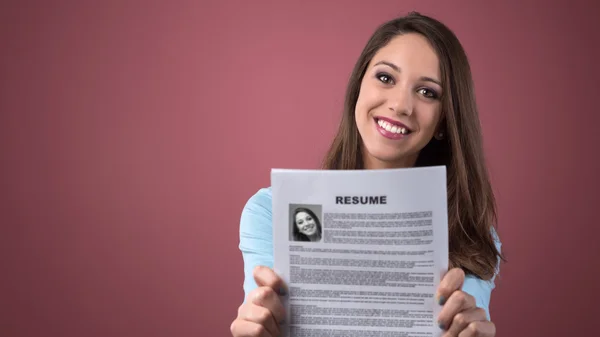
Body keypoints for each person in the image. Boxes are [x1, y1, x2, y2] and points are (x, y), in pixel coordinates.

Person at [230, 11, 505, 337]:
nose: (401, 105)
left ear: (445, 121)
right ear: (358, 86)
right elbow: (265, 316)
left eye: (427, 92)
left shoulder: (469, 234)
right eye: (386, 78)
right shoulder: (271, 212)